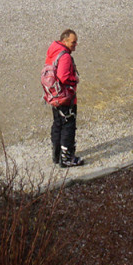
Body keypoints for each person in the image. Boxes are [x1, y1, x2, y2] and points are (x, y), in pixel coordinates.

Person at [43, 30, 82, 167]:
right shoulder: (65, 56)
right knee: (68, 126)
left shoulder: (53, 52)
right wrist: (75, 80)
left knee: (58, 124)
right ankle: (67, 158)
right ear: (65, 41)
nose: (75, 44)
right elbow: (63, 77)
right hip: (65, 97)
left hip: (54, 96)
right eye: (73, 42)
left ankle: (57, 155)